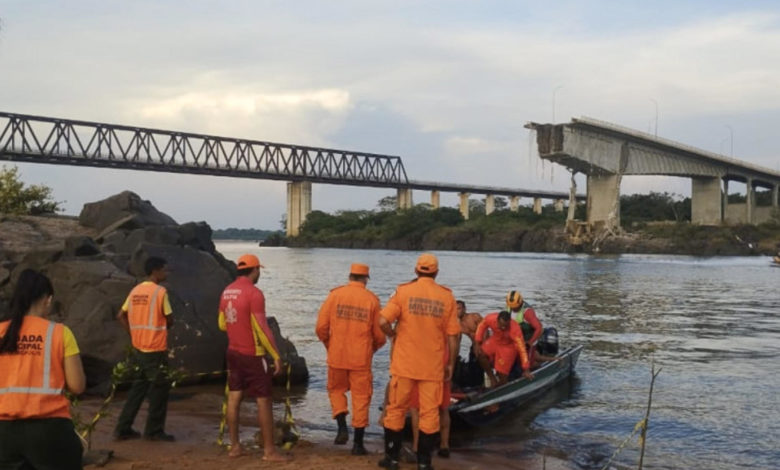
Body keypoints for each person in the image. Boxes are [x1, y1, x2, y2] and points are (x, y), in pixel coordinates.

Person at [378, 253, 460, 470]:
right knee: (430, 413)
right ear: (436, 272)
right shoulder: (446, 297)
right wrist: (451, 364)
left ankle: (392, 459)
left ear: (416, 271)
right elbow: (453, 336)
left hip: (404, 365)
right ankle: (424, 463)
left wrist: (393, 334)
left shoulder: (403, 292)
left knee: (396, 409)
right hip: (432, 367)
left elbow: (382, 320)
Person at [0, 269, 86, 470]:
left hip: (3, 432)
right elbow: (77, 386)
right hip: (50, 430)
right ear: (48, 300)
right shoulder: (59, 333)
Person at [218, 254, 288, 462]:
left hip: (233, 351)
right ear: (255, 270)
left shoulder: (227, 291)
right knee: (263, 401)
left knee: (234, 397)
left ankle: (235, 447)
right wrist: (276, 355)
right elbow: (262, 328)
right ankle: (269, 451)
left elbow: (222, 323)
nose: (259, 274)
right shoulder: (254, 293)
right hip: (253, 354)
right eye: (259, 270)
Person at [315, 263, 386, 455]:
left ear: (350, 276)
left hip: (337, 355)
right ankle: (358, 444)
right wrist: (372, 349)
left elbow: (321, 327)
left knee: (336, 390)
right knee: (361, 398)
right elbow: (380, 335)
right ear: (365, 279)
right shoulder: (372, 300)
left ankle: (341, 427)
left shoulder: (335, 295)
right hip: (360, 359)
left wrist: (330, 345)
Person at [114, 256, 175, 441]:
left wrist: (133, 334)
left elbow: (120, 315)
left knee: (138, 388)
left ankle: (123, 427)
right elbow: (169, 318)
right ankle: (154, 431)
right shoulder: (160, 292)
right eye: (164, 269)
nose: (166, 273)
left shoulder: (135, 291)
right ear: (155, 271)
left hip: (139, 347)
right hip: (155, 348)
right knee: (160, 389)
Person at [475, 311, 533, 387]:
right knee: (480, 353)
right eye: (501, 325)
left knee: (502, 374)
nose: (503, 328)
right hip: (495, 340)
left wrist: (526, 369)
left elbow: (522, 348)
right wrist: (477, 342)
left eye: (505, 326)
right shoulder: (490, 318)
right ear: (497, 320)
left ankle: (500, 386)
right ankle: (492, 378)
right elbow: (481, 326)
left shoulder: (515, 329)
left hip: (508, 347)